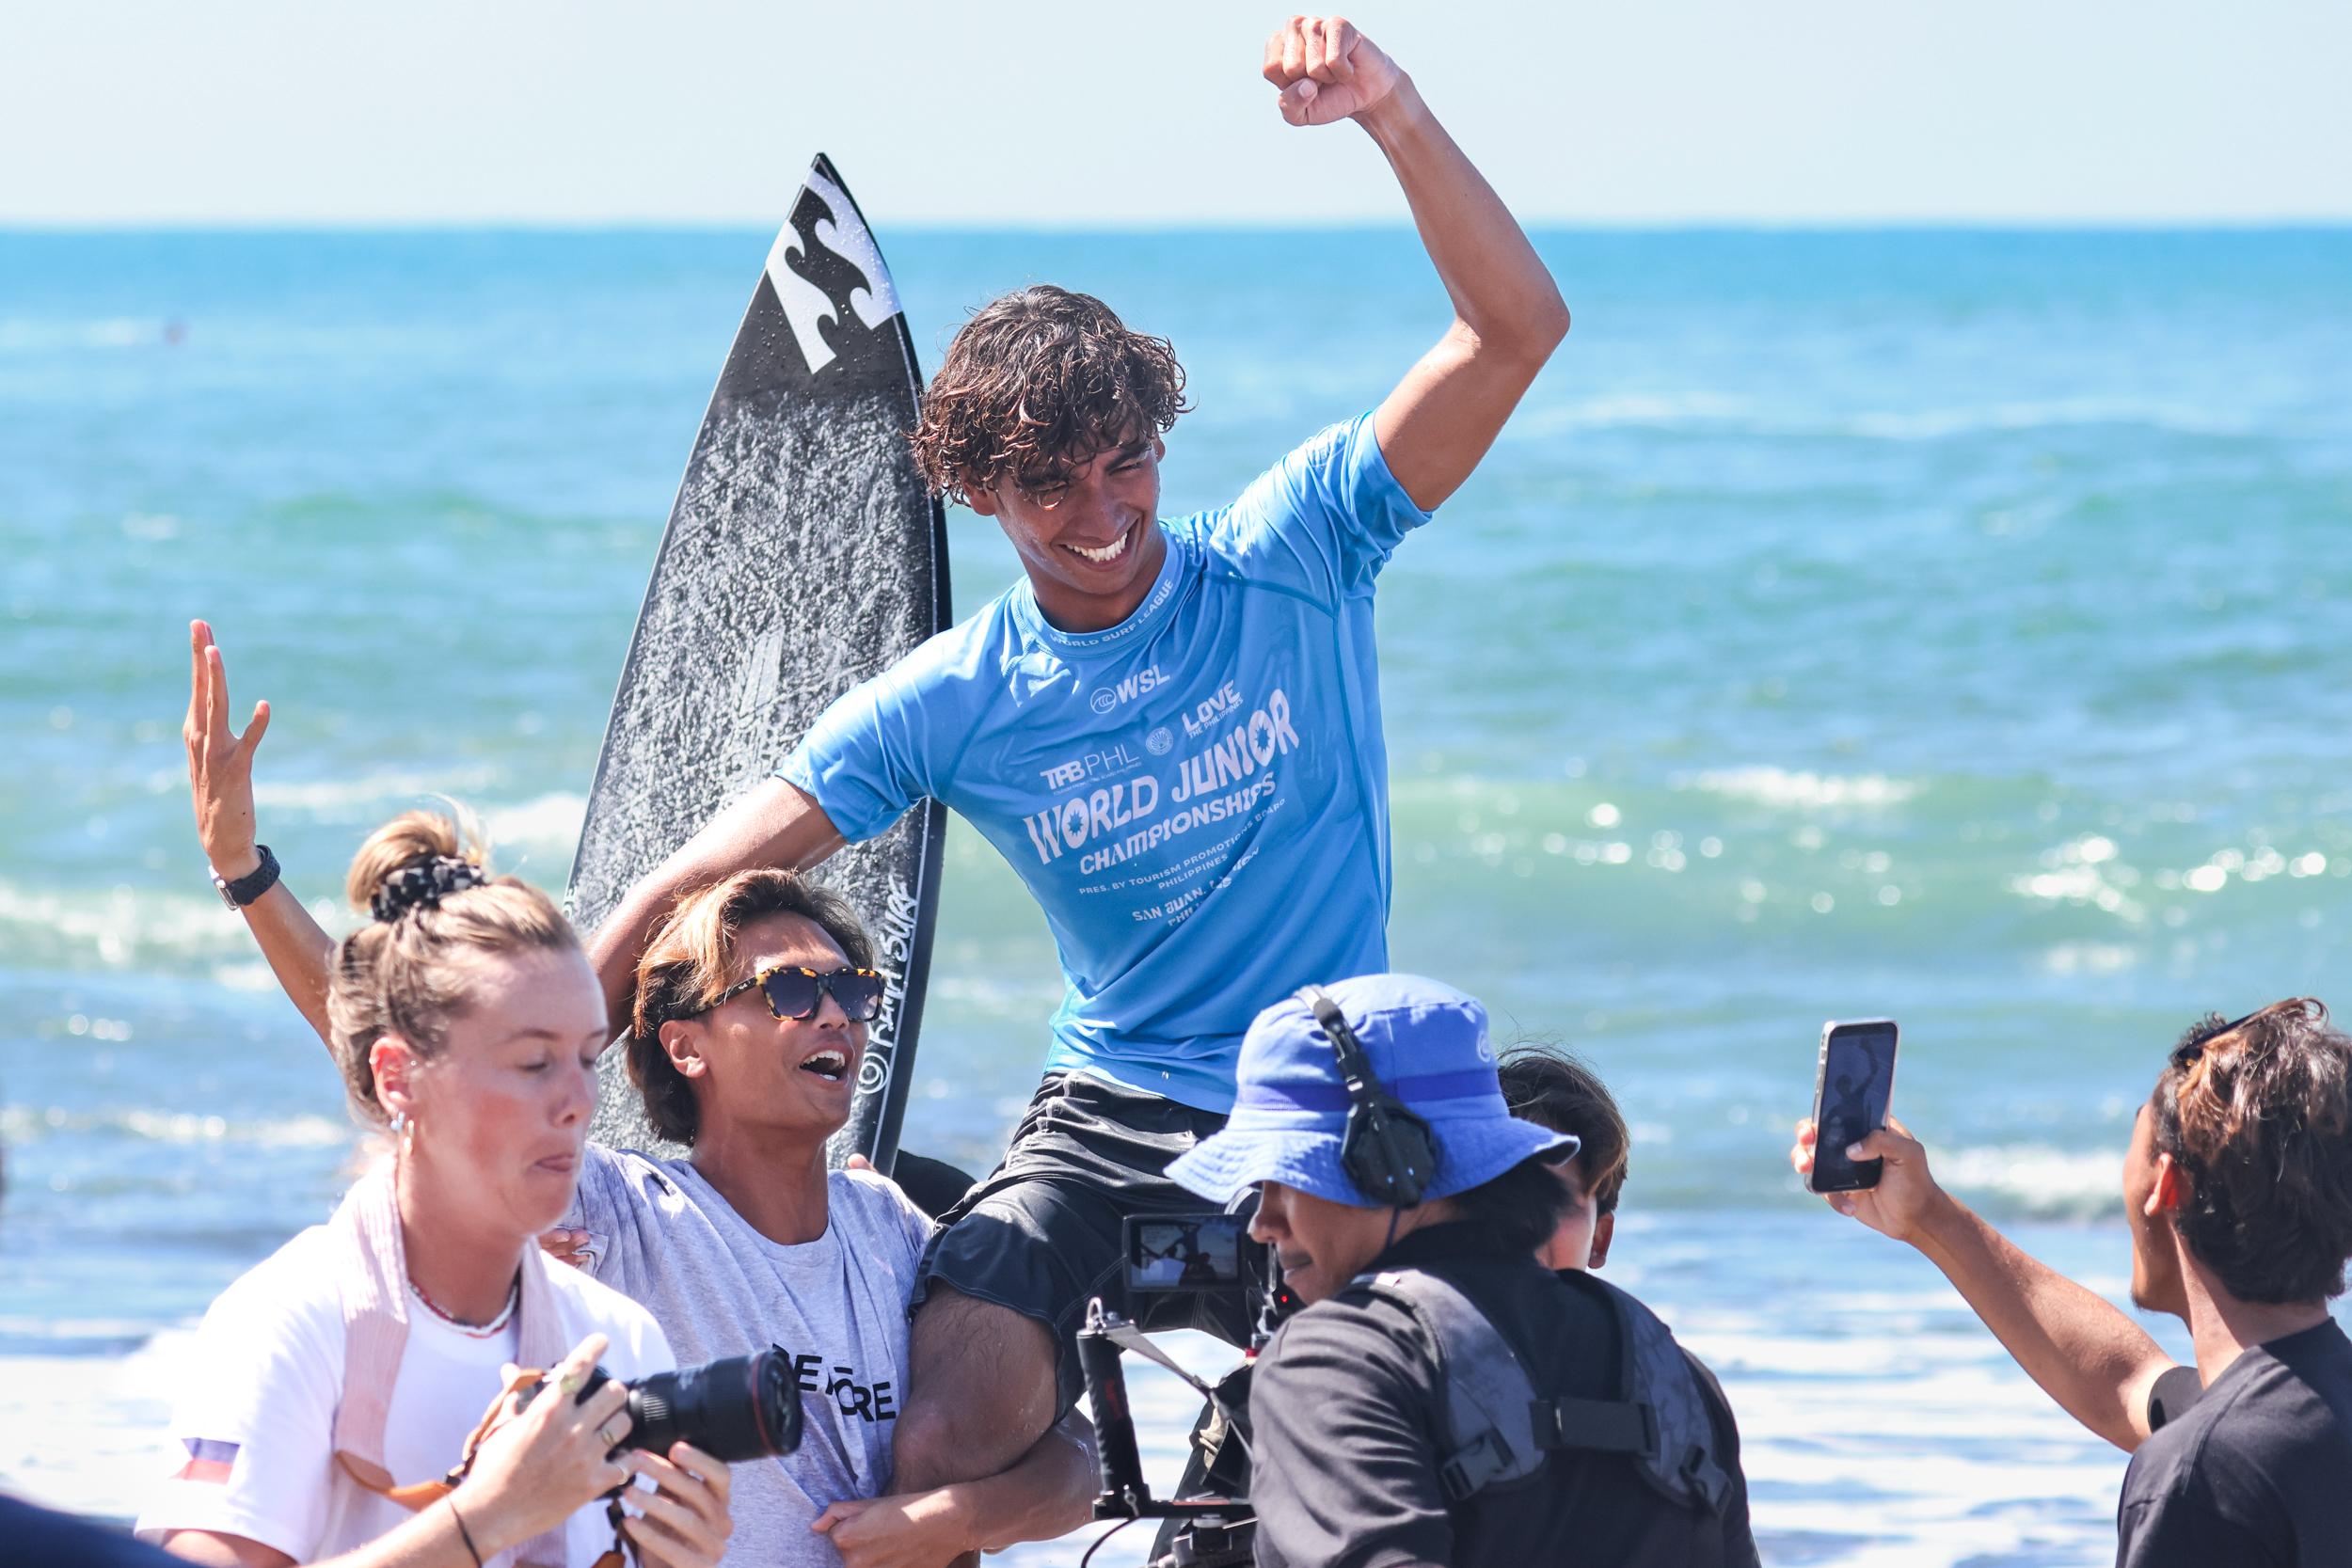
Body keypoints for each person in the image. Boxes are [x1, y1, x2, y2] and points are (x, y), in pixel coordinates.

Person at [581, 14, 1573, 1507]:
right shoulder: (958, 695)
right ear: (978, 490)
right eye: (1048, 481)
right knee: (942, 1424)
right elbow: (704, 876)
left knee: (1419, 1429)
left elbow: (1515, 332)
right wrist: (520, 1069)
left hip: (1316, 1087)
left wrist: (1394, 113)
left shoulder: (1296, 552)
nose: (1101, 511)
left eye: (1126, 460)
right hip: (1109, 1108)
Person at [180, 627, 1092, 1568]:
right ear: (684, 1044)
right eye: (787, 992)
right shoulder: (624, 1217)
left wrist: (955, 1517)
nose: (835, 1016)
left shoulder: (896, 1228)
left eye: (853, 991)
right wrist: (250, 877)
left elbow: (1075, 1461)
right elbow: (437, 1060)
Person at [135, 813, 734, 1568]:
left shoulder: (616, 1339)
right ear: (398, 1077)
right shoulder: (292, 1318)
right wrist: (484, 1519)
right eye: (532, 1062)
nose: (579, 1100)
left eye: (587, 1056)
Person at [1168, 974, 1759, 1568]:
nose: (1262, 1222)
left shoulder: (1334, 1360)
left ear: (1390, 1162)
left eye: (1285, 1179)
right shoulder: (1668, 1369)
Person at [1788, 999, 2352, 1566]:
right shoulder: (2310, 1406)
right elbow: (2127, 1385)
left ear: (2167, 1186)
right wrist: (1928, 1218)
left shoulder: (2203, 1478)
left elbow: (2193, 1434)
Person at [1497, 1044, 1630, 1271]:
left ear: (1599, 1239)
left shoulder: (1622, 1308)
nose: (1525, 1227)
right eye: (1496, 1201)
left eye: (1556, 1203)